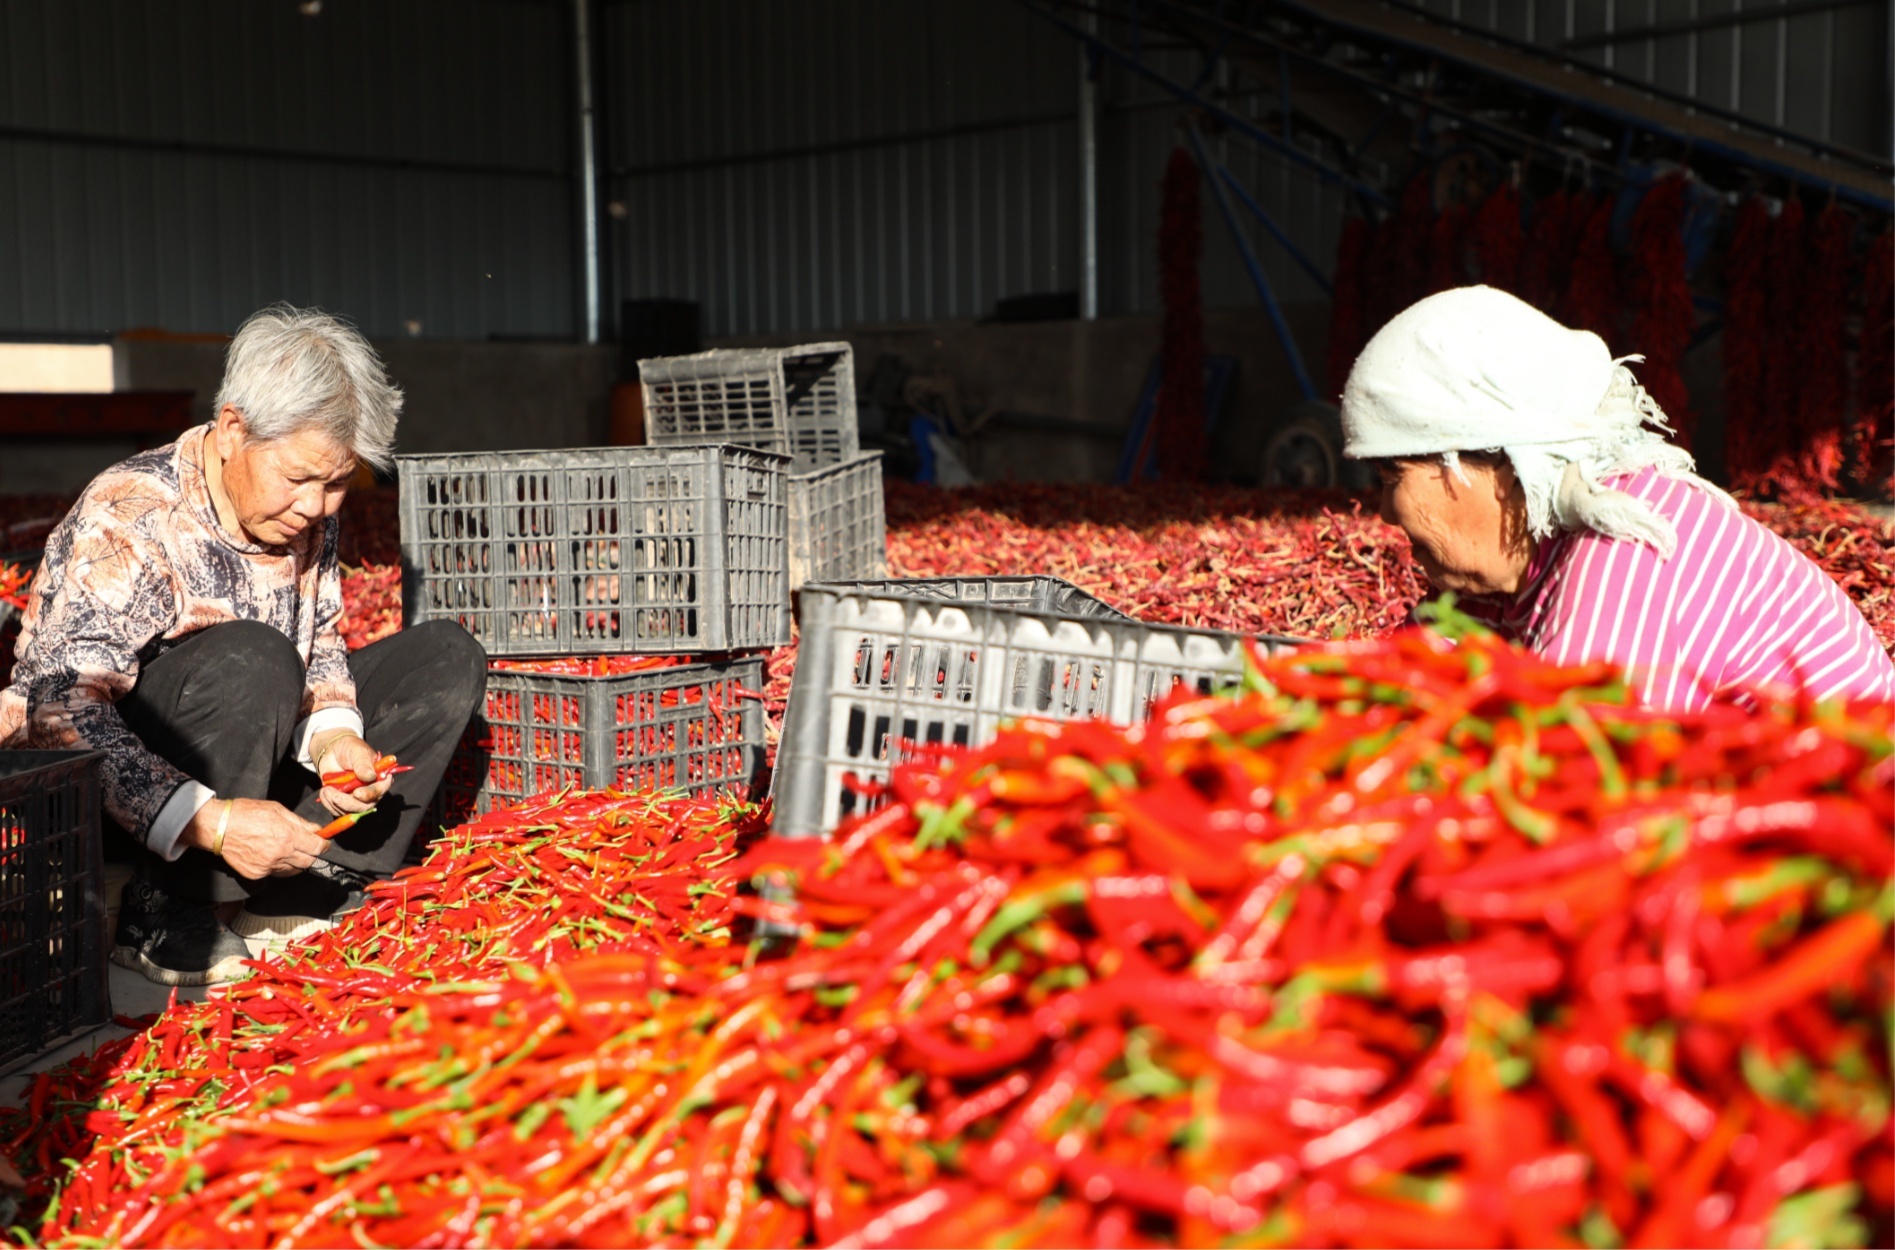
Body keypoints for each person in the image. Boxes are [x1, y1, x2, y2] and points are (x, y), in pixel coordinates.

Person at [0, 304, 486, 985]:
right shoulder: (132, 511)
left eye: (338, 482)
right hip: (123, 799)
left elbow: (319, 648)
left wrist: (335, 744)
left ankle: (313, 873)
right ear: (232, 429)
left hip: (252, 742)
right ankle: (170, 907)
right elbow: (60, 712)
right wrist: (214, 823)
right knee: (249, 656)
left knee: (445, 657)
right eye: (299, 479)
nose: (318, 506)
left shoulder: (304, 514)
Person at [1341, 285, 1895, 711]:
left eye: (1393, 478)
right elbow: (1384, 689)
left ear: (1501, 465)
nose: (1386, 512)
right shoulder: (1507, 573)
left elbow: (1577, 785)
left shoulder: (1624, 544)